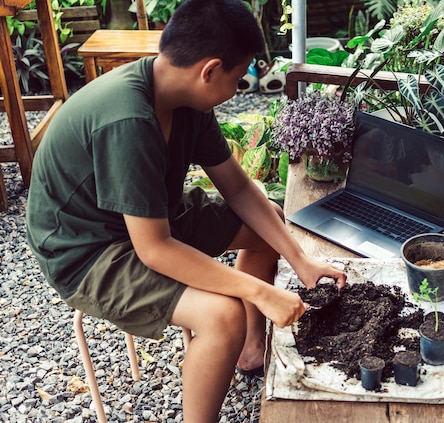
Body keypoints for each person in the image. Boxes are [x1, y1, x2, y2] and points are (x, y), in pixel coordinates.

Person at [25, 0, 347, 421]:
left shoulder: (188, 102)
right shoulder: (128, 119)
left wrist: (300, 261)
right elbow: (155, 250)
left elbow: (238, 188)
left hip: (147, 216)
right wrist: (260, 291)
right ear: (209, 70)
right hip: (87, 249)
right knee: (222, 316)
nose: (236, 90)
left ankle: (250, 353)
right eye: (237, 78)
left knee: (267, 223)